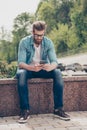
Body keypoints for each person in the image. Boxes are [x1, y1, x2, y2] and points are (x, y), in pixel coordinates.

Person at [16, 20, 70, 123]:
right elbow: (21, 63)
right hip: (28, 70)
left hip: (42, 70)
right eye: (37, 35)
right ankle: (25, 111)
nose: (39, 38)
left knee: (57, 72)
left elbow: (54, 61)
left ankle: (58, 109)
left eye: (41, 35)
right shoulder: (24, 42)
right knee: (21, 74)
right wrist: (32, 68)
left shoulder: (48, 42)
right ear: (32, 32)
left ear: (44, 32)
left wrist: (51, 67)